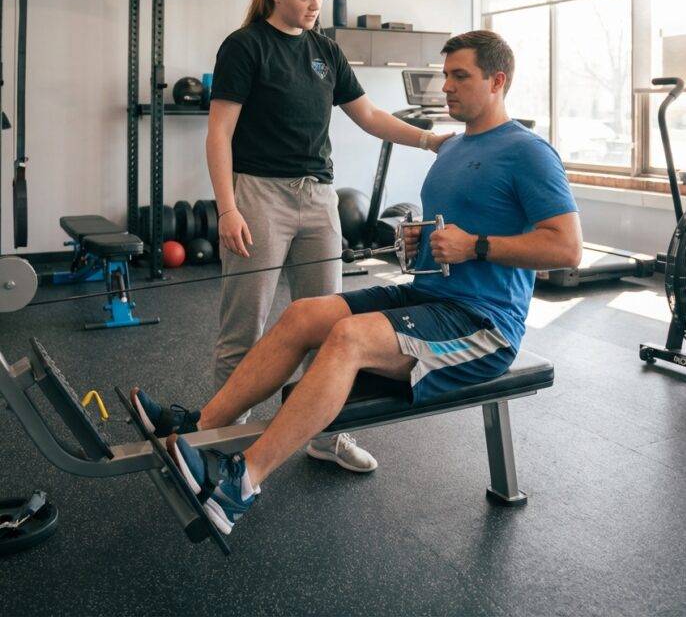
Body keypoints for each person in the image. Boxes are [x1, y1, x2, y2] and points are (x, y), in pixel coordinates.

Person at [132, 29, 582, 537]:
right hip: (433, 296)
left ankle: (240, 484)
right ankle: (198, 429)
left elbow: (566, 248)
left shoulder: (528, 152)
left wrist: (477, 245)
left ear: (497, 82)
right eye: (445, 76)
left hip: (483, 325)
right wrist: (422, 245)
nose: (447, 87)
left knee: (349, 337)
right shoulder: (452, 148)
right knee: (306, 313)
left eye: (460, 77)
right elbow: (452, 235)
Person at [204, 0, 453, 474]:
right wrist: (228, 209)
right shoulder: (245, 47)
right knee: (244, 325)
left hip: (319, 199)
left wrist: (429, 141)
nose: (314, 5)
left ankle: (325, 434)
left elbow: (368, 116)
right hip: (259, 195)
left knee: (326, 323)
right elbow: (219, 132)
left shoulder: (325, 52)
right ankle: (223, 443)